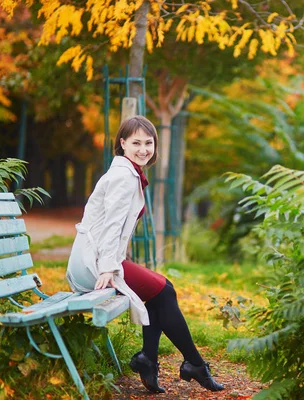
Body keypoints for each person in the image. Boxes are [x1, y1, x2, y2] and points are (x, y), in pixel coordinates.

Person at [66, 116, 224, 394]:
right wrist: (107, 268)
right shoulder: (123, 177)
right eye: (136, 142)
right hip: (95, 263)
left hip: (98, 258)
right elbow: (112, 225)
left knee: (162, 291)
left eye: (148, 143)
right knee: (164, 292)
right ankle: (194, 365)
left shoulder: (127, 173)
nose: (143, 149)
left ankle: (149, 359)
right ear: (122, 143)